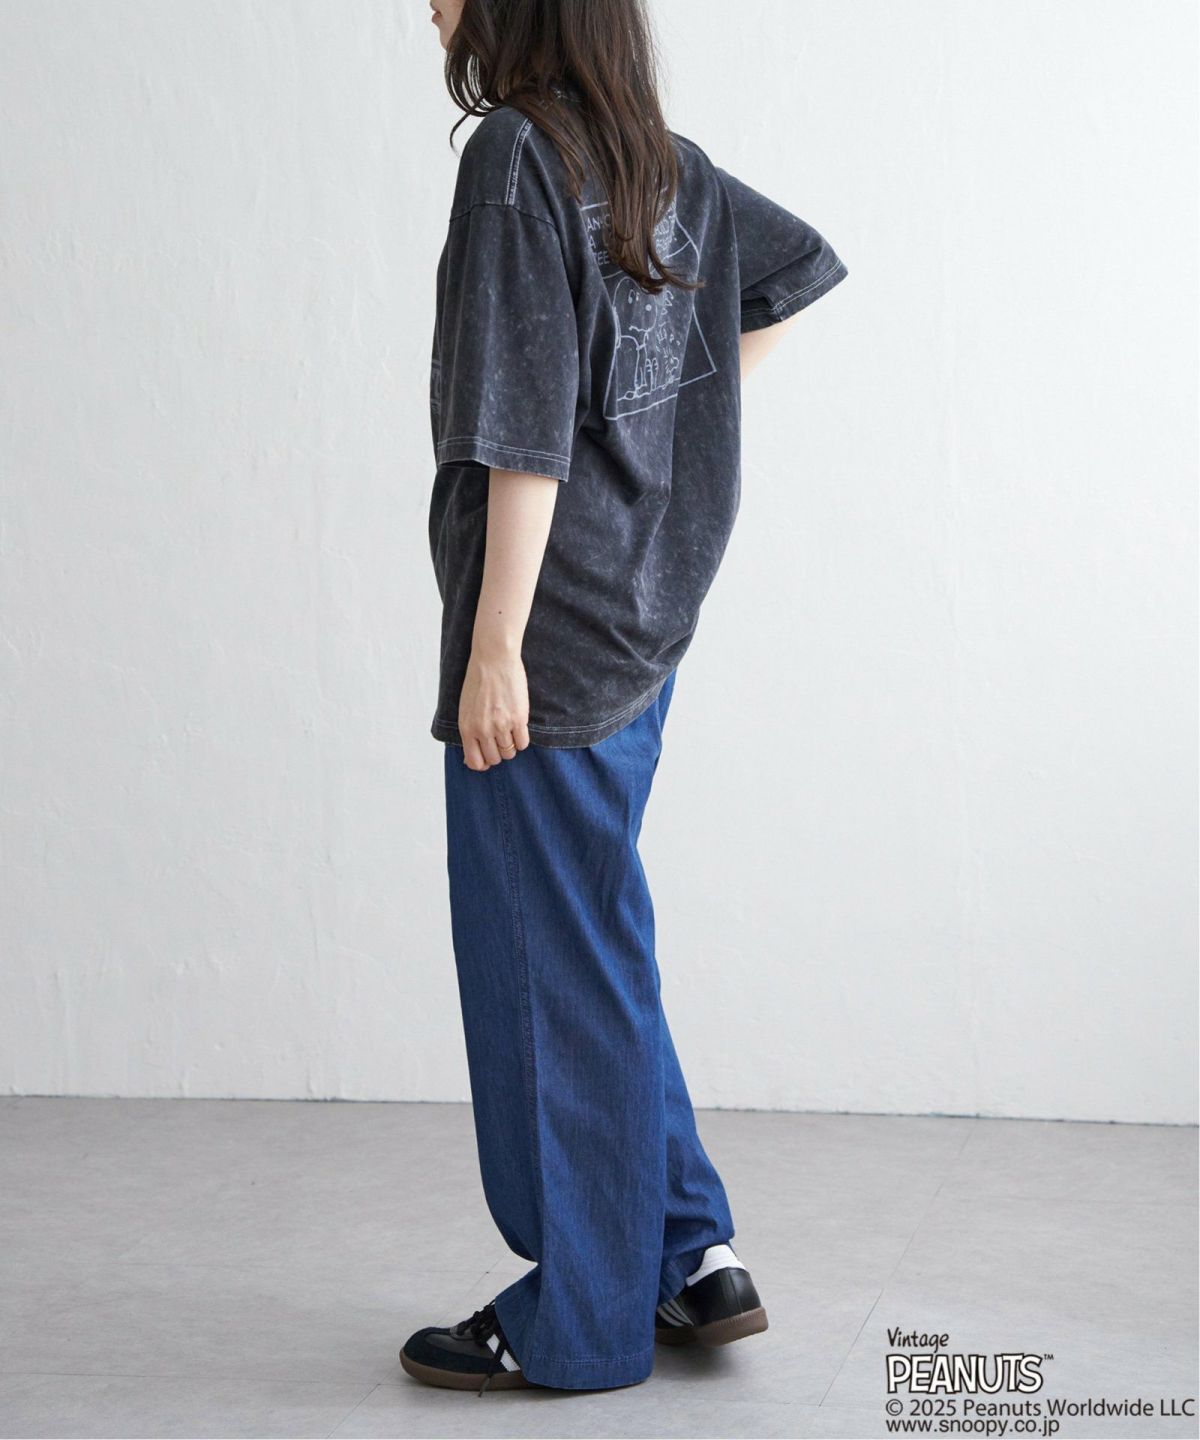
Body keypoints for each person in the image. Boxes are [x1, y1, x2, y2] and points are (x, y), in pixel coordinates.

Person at [401, 0, 849, 1395]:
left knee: (550, 974)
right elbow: (790, 276)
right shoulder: (662, 164)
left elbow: (523, 429)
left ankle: (582, 1322)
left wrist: (493, 647)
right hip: (645, 615)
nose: (426, 2)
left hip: (551, 636)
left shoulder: (517, 159)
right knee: (599, 935)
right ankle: (688, 1251)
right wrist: (666, 431)